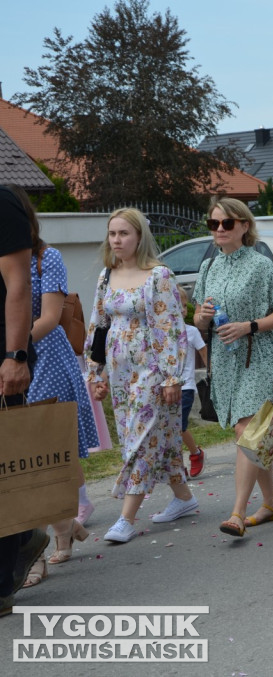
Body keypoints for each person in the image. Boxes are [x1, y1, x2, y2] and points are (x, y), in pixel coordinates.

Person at [85, 208, 196, 543]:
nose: (116, 240)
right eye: (112, 233)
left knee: (140, 438)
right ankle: (184, 498)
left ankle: (126, 518)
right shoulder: (108, 275)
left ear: (139, 237)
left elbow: (170, 328)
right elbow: (99, 325)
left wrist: (171, 377)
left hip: (152, 370)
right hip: (121, 373)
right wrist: (96, 371)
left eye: (124, 234)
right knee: (155, 437)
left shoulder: (158, 275)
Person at [192, 198, 273, 539]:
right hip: (225, 359)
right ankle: (272, 502)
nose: (219, 229)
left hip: (257, 353)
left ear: (244, 226)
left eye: (227, 223)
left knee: (248, 430)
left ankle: (237, 512)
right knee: (248, 433)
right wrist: (201, 316)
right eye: (214, 224)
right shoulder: (208, 268)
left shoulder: (262, 266)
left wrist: (249, 325)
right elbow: (197, 315)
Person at [20, 185, 98, 575]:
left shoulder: (46, 258)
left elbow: (49, 317)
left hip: (45, 360)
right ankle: (65, 527)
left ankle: (47, 540)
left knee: (51, 453)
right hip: (12, 363)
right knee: (25, 458)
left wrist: (11, 349)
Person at [0, 184, 49, 618]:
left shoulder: (2, 202)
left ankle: (0, 587)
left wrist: (15, 356)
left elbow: (18, 283)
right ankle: (26, 536)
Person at [179, 287, 207, 479]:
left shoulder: (191, 332)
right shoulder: (159, 333)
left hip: (186, 387)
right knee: (171, 428)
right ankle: (190, 456)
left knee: (178, 426)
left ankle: (194, 456)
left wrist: (213, 376)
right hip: (164, 388)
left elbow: (204, 354)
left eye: (182, 305)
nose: (179, 309)